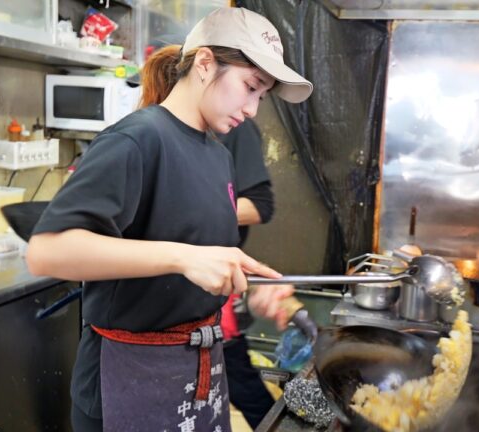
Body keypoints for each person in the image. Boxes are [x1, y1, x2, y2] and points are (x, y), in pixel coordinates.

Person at [25, 7, 313, 432]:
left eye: (261, 95)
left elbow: (191, 252)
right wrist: (184, 258)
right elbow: (47, 252)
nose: (253, 109)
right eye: (250, 87)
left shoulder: (217, 155)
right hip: (128, 380)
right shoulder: (138, 139)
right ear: (204, 63)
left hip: (197, 376)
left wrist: (251, 288)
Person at [218, 119, 278, 429]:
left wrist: (191, 210)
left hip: (213, 289)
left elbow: (261, 205)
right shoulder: (148, 130)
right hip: (163, 302)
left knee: (237, 374)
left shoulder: (234, 127)